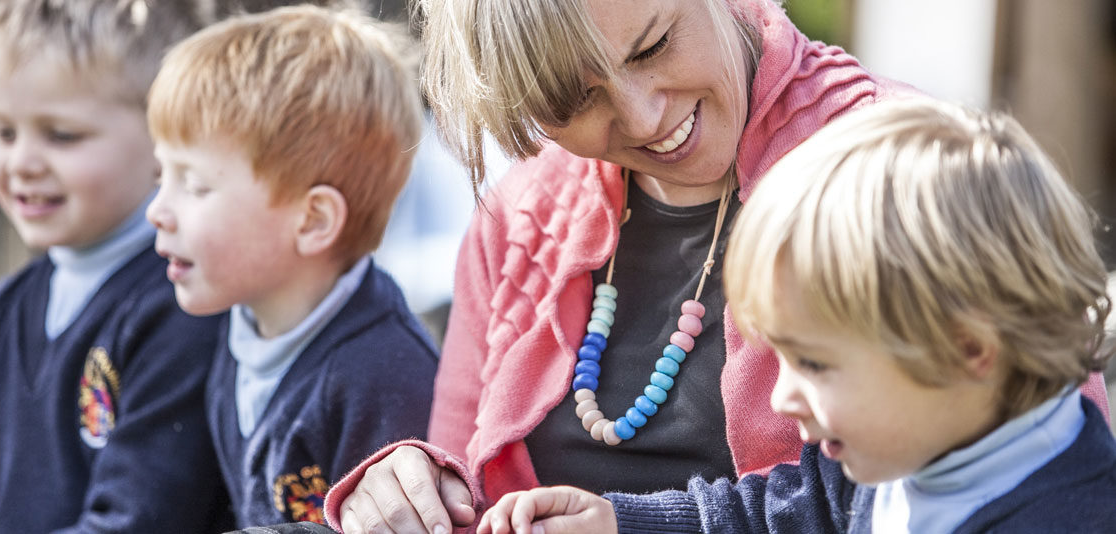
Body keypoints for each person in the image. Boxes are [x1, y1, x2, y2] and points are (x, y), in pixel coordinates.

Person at [323, 0, 1112, 532]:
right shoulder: (517, 217)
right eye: (572, 100)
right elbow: (465, 468)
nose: (643, 116)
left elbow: (1028, 441)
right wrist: (419, 486)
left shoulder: (901, 171)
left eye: (655, 45)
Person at [476, 100, 1116, 534]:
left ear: (969, 349)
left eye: (814, 363)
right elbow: (765, 515)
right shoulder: (890, 459)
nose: (784, 397)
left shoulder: (1071, 514)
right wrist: (621, 523)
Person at [0, 1, 230, 532]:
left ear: (165, 137)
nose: (21, 161)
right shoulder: (10, 307)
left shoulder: (184, 305)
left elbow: (136, 519)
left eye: (61, 135)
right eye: (3, 132)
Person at [144, 5, 439, 527]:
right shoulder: (238, 333)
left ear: (312, 220)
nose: (156, 211)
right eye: (160, 175)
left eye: (194, 185)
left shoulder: (383, 379)